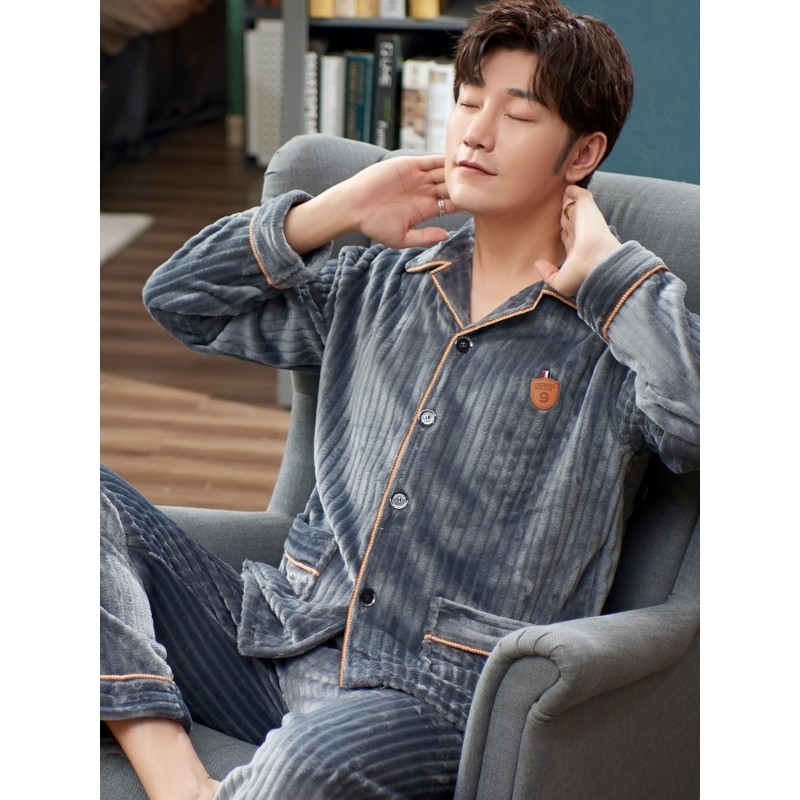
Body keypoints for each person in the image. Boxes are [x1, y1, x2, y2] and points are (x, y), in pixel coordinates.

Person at [100, 0, 699, 797]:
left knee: (308, 761)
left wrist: (612, 274)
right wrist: (335, 209)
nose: (476, 133)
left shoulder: (618, 332)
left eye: (518, 115)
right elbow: (179, 300)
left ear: (583, 152)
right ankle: (178, 775)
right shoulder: (375, 284)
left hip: (432, 697)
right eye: (468, 101)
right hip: (276, 638)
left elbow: (701, 423)